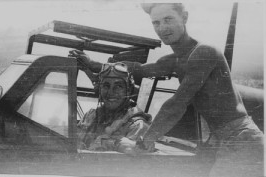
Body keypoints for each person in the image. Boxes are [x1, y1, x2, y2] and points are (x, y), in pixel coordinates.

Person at [70, 3, 264, 177]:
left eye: (168, 19)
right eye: (156, 23)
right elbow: (139, 69)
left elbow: (177, 104)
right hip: (222, 140)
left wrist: (144, 142)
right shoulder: (173, 60)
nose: (162, 28)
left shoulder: (204, 52)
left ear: (185, 17)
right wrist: (94, 64)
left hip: (242, 139)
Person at [77, 62, 151, 154]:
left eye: (118, 86)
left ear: (128, 90)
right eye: (106, 86)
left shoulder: (137, 125)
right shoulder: (90, 115)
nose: (110, 92)